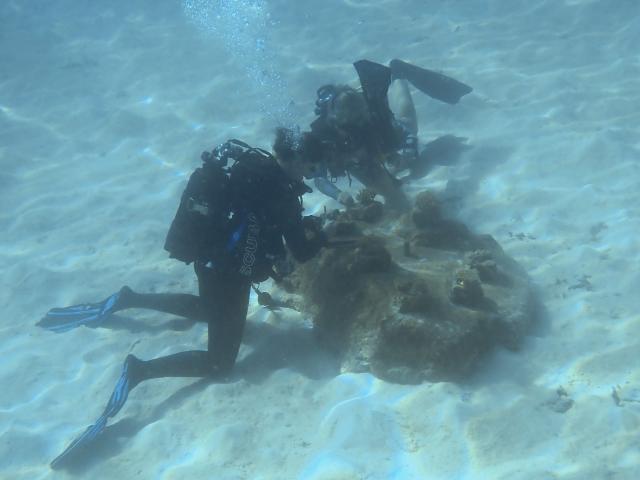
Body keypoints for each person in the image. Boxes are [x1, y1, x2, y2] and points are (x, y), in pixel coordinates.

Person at [38, 138, 327, 469]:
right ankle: (140, 370)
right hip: (230, 275)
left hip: (207, 262)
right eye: (311, 166)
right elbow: (300, 252)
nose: (312, 173)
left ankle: (131, 298)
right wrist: (323, 236)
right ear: (297, 159)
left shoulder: (250, 168)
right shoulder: (283, 196)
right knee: (220, 363)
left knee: (210, 309)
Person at [280, 59, 473, 210]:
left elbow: (406, 132)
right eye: (347, 126)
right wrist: (338, 195)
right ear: (335, 122)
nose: (352, 130)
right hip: (356, 163)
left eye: (356, 124)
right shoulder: (322, 139)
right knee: (395, 199)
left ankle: (398, 72)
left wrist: (407, 150)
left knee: (408, 122)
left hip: (370, 147)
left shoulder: (369, 120)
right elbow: (319, 178)